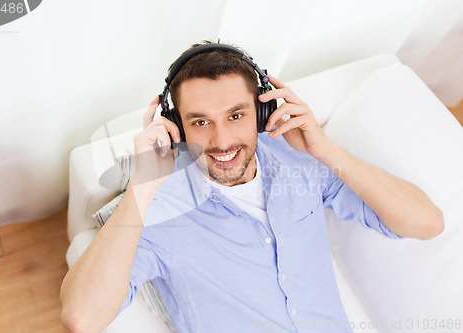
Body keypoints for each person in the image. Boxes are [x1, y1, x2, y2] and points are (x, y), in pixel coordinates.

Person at [60, 42, 444, 333]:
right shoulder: (158, 208)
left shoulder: (299, 161)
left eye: (236, 115)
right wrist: (142, 186)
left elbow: (427, 223)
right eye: (200, 122)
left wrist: (325, 150)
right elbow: (82, 317)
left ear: (262, 112)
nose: (222, 141)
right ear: (177, 128)